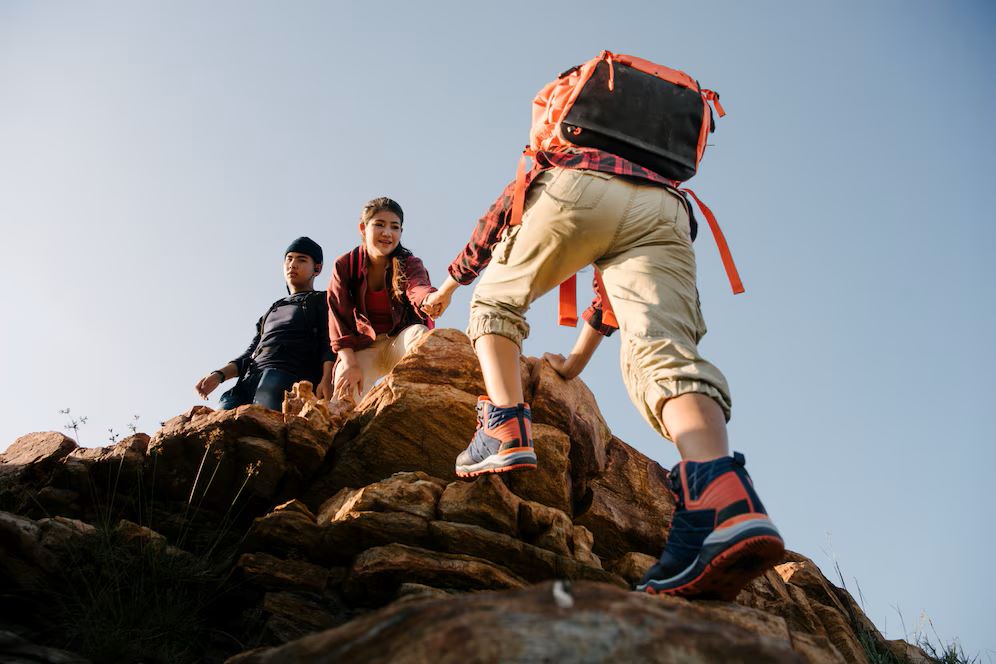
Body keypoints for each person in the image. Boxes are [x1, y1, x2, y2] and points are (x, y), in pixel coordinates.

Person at [422, 105, 784, 600]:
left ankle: (505, 427)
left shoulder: (563, 150)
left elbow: (497, 221)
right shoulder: (655, 168)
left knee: (495, 301)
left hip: (578, 185)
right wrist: (573, 363)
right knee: (663, 352)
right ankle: (720, 496)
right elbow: (610, 296)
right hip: (669, 210)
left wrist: (449, 285)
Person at [194, 237, 335, 410]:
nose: (293, 264)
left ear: (317, 268)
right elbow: (250, 353)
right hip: (247, 381)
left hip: (285, 378)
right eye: (289, 259)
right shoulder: (272, 309)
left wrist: (326, 379)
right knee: (223, 417)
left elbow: (329, 342)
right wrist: (219, 375)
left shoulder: (322, 300)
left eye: (302, 259)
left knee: (262, 422)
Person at [328, 197, 437, 404]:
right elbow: (338, 320)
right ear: (363, 227)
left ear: (400, 233)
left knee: (421, 336)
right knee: (344, 397)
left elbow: (418, 288)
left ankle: (411, 403)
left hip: (398, 342)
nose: (387, 233)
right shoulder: (345, 265)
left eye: (394, 227)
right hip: (364, 348)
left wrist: (430, 299)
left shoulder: (409, 263)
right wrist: (350, 364)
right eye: (379, 224)